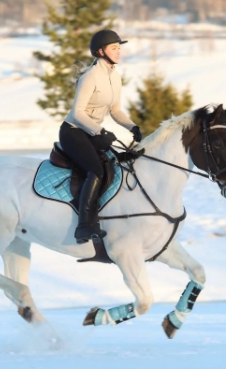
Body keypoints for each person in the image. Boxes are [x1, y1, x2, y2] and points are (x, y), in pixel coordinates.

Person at [59, 29, 142, 244]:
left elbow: (115, 110)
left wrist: (132, 127)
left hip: (91, 132)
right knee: (95, 169)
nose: (119, 51)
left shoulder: (114, 77)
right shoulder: (90, 76)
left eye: (119, 48)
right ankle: (84, 226)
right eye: (114, 48)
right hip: (74, 131)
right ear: (100, 51)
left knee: (116, 162)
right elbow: (77, 113)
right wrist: (100, 132)